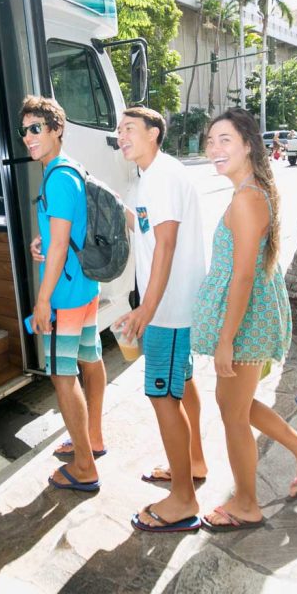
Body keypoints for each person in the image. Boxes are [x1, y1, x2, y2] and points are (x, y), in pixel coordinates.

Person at [191, 108, 297, 533]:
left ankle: (247, 503)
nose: (214, 148)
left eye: (225, 140)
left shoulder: (248, 198)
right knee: (238, 405)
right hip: (251, 316)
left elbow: (244, 275)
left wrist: (225, 340)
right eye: (211, 140)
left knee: (233, 413)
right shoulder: (249, 192)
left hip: (247, 321)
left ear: (249, 145)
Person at [116, 106, 209, 533]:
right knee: (181, 385)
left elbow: (167, 246)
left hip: (169, 311)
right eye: (119, 130)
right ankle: (193, 463)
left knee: (161, 395)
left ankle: (184, 499)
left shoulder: (163, 176)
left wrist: (147, 309)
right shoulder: (152, 177)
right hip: (172, 306)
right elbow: (150, 228)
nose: (122, 135)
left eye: (130, 128)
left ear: (154, 133)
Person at [21, 96, 107, 492]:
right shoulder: (72, 170)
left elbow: (58, 248)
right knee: (90, 359)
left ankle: (85, 467)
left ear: (57, 129)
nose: (28, 137)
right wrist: (46, 241)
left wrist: (42, 301)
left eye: (36, 128)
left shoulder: (56, 177)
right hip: (86, 286)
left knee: (61, 375)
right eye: (24, 131)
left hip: (64, 295)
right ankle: (93, 438)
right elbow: (62, 235)